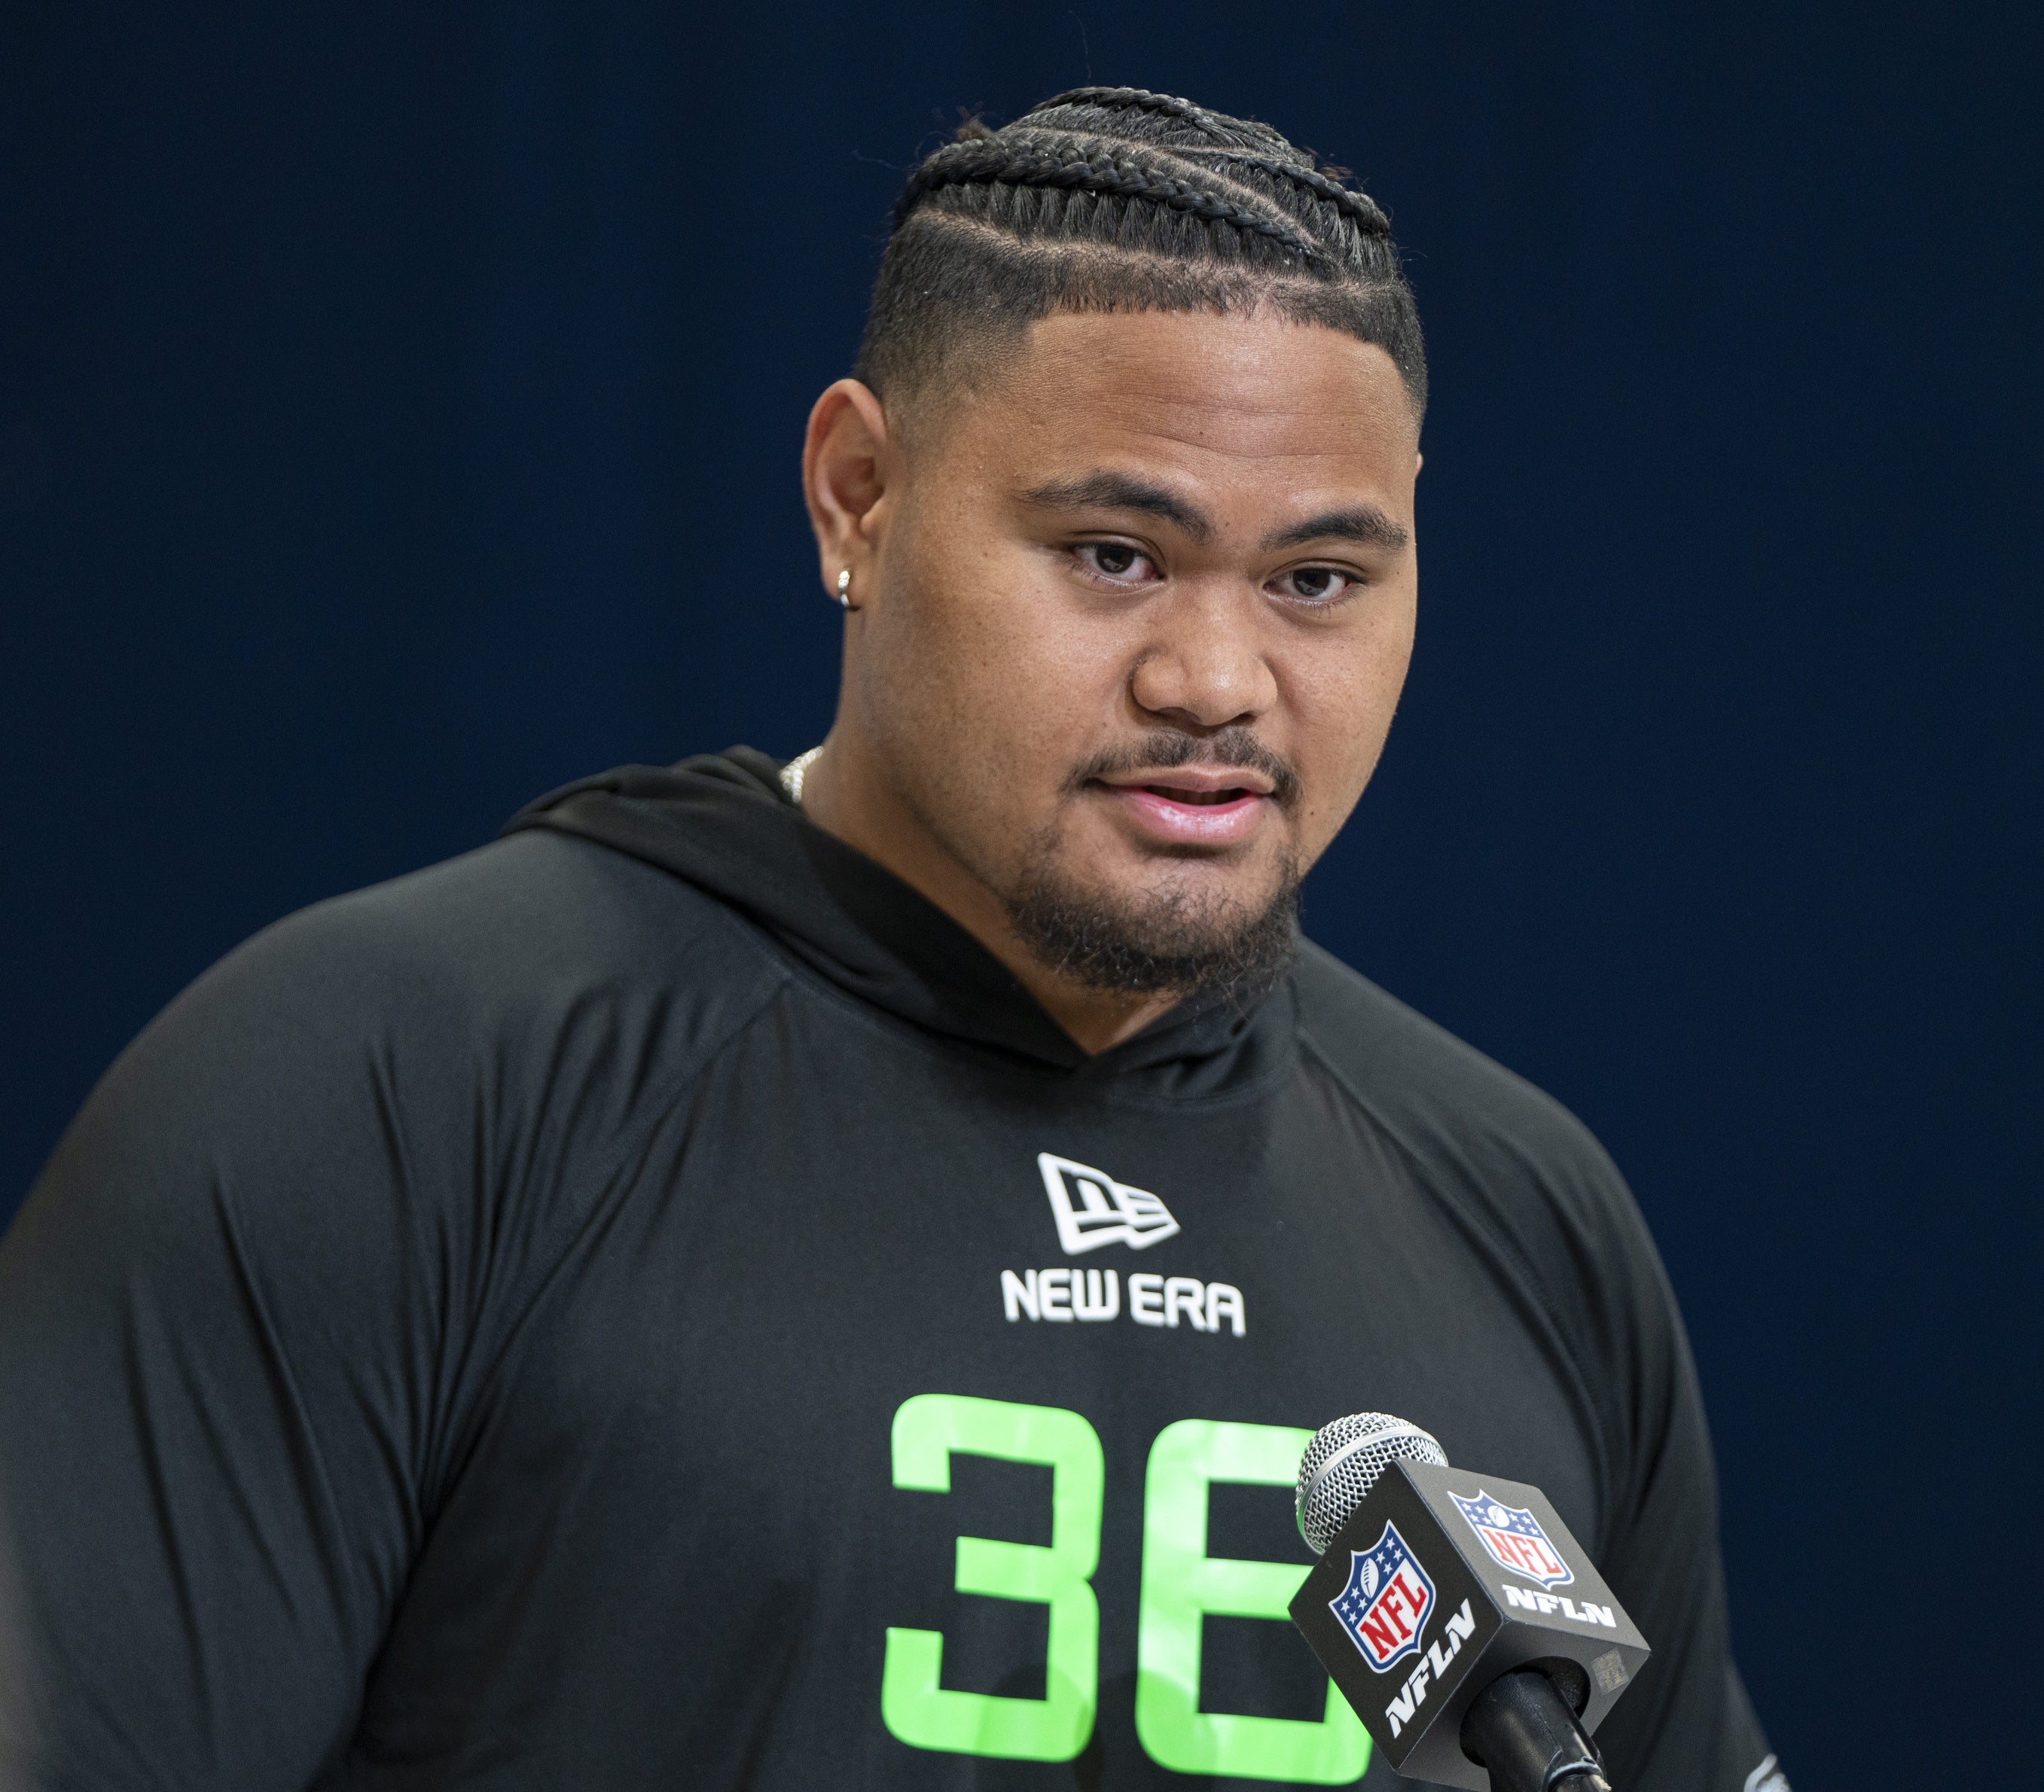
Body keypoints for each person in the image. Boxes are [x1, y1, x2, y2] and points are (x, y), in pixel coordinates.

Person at [0, 87, 1777, 1792]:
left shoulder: (1529, 1216)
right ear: (858, 493)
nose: (1218, 681)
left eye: (1318, 580)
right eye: (1112, 553)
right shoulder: (384, 1091)